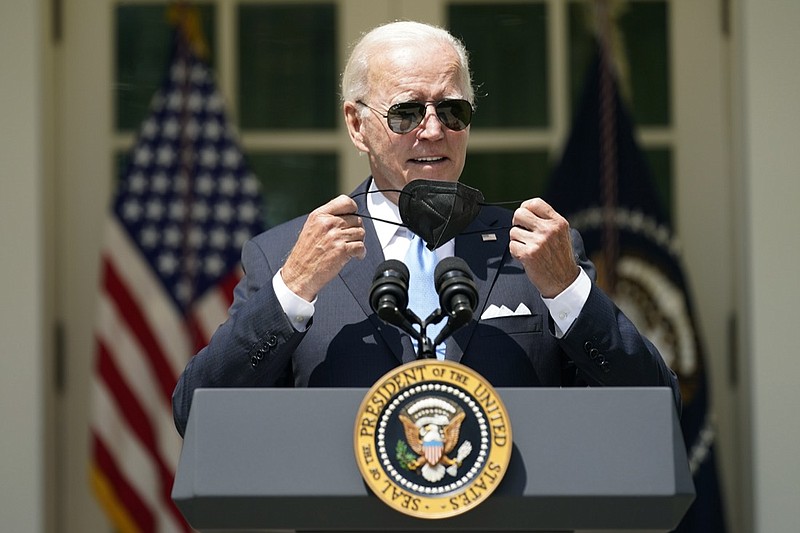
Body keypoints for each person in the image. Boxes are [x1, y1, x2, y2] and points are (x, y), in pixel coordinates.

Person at [172, 20, 679, 437]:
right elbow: (195, 412)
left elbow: (656, 404)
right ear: (357, 124)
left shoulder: (538, 249)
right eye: (407, 112)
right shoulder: (285, 254)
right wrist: (291, 292)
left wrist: (570, 295)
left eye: (452, 111)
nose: (433, 130)